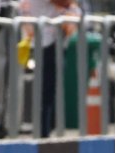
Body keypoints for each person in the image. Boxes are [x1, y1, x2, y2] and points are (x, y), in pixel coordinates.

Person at [20, 0, 83, 138]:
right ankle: (44, 131)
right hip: (47, 42)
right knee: (46, 91)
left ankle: (46, 128)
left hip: (47, 40)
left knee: (49, 90)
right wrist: (72, 6)